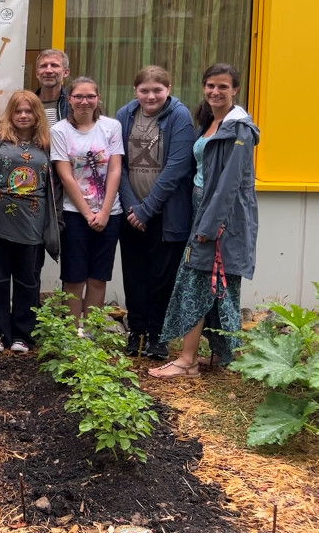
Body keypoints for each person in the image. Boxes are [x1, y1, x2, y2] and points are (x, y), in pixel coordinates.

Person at [149, 64, 259, 379]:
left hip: (220, 218)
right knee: (205, 282)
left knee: (198, 282)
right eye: (210, 85)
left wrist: (210, 227)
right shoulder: (211, 121)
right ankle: (214, 357)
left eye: (223, 86)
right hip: (201, 210)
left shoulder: (239, 129)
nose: (215, 92)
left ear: (235, 90)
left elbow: (229, 184)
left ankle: (188, 361)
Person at [0, 90, 59, 353]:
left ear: (37, 115)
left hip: (34, 226)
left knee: (29, 283)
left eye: (29, 111)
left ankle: (23, 335)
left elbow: (57, 186)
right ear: (10, 114)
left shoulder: (48, 144)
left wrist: (57, 221)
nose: (23, 115)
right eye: (18, 111)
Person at [115, 66, 195, 359]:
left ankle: (157, 335)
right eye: (144, 90)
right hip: (132, 212)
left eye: (157, 90)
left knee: (161, 276)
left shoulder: (180, 117)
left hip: (165, 214)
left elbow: (178, 167)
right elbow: (118, 164)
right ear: (135, 91)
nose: (151, 96)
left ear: (168, 89)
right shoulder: (125, 115)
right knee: (133, 274)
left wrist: (148, 209)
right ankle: (135, 331)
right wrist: (132, 206)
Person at [51, 76, 124, 327]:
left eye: (90, 96)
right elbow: (66, 175)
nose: (84, 101)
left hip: (110, 214)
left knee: (98, 276)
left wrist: (104, 212)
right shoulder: (59, 130)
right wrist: (86, 213)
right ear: (69, 99)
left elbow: (115, 170)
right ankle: (72, 335)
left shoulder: (111, 127)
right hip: (74, 214)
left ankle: (92, 333)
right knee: (74, 277)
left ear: (98, 98)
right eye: (78, 96)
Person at [34, 49, 71, 126]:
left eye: (54, 65)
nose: (48, 71)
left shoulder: (73, 105)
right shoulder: (28, 104)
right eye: (44, 66)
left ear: (66, 73)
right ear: (37, 74)